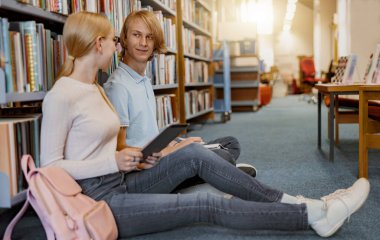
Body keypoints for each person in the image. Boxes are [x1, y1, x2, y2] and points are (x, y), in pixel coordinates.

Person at [40, 11, 370, 239]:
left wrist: (142, 156)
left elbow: (111, 148)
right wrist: (114, 159)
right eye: (115, 38)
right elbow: (50, 168)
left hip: (121, 183)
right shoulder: (62, 95)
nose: (118, 44)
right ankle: (312, 214)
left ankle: (307, 203)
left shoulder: (94, 88)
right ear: (98, 44)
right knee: (206, 204)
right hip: (100, 201)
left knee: (193, 156)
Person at [103, 10, 256, 179]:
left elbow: (148, 135)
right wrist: (173, 150)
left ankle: (214, 172)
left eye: (150, 37)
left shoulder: (144, 80)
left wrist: (176, 143)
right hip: (145, 167)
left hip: (161, 153)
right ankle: (219, 172)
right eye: (136, 35)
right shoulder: (118, 86)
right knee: (222, 155)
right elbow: (118, 148)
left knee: (230, 144)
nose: (143, 42)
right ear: (124, 38)